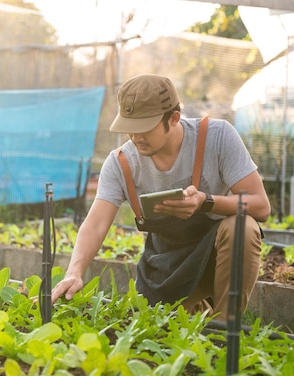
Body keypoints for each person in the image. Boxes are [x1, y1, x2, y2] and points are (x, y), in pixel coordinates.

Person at [51, 74, 271, 320]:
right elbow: (95, 223)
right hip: (165, 270)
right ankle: (197, 309)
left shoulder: (217, 137)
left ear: (174, 118)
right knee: (169, 335)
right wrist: (74, 271)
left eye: (144, 128)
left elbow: (261, 206)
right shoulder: (121, 163)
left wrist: (206, 201)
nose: (135, 137)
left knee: (242, 226)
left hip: (216, 255)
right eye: (129, 129)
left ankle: (225, 331)